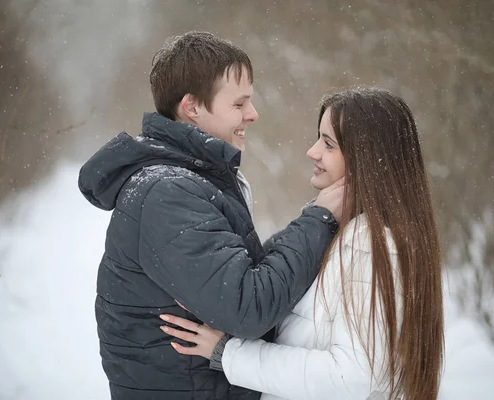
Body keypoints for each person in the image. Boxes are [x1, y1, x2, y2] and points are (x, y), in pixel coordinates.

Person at [77, 31, 344, 400]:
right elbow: (247, 308)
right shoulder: (167, 193)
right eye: (239, 104)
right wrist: (320, 219)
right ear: (192, 107)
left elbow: (242, 278)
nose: (253, 114)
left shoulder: (188, 180)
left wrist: (314, 217)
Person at [160, 87, 445, 400]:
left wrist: (228, 353)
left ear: (366, 159)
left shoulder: (373, 248)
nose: (312, 151)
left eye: (328, 143)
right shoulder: (340, 233)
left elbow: (349, 378)